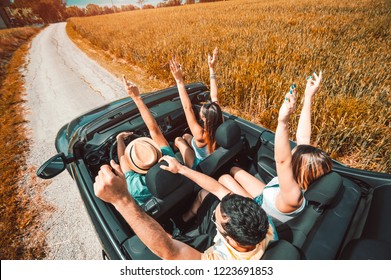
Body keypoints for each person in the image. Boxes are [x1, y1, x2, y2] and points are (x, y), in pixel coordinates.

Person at [93, 156, 275, 260]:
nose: (213, 214)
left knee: (173, 239)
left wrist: (122, 200)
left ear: (232, 241)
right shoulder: (264, 225)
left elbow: (170, 251)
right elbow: (218, 189)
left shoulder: (219, 264)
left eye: (215, 219)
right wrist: (180, 168)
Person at [218, 71, 333, 224]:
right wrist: (308, 97)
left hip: (258, 211)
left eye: (294, 154)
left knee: (223, 178)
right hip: (267, 195)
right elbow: (303, 138)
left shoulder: (293, 196)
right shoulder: (304, 178)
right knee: (234, 170)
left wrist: (283, 121)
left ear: (298, 167)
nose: (292, 150)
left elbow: (282, 161)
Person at [116, 76, 176, 206]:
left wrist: (119, 139)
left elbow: (121, 160)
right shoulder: (170, 161)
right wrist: (137, 98)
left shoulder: (135, 186)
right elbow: (154, 130)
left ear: (133, 165)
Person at [169, 47, 223, 169]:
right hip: (213, 158)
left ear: (204, 119)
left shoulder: (200, 134)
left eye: (201, 111)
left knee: (178, 139)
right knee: (186, 137)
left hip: (200, 166)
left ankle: (175, 152)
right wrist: (211, 68)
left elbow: (187, 108)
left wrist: (179, 80)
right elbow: (214, 95)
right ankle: (185, 143)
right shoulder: (220, 121)